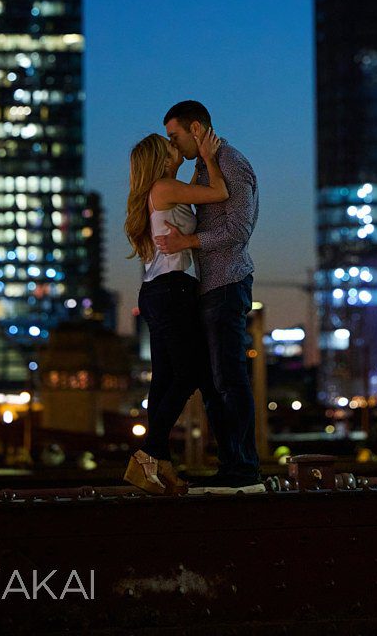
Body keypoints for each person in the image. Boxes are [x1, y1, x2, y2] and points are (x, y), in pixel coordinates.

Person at [154, 99, 264, 494]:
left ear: (195, 129)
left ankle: (245, 470)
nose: (173, 143)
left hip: (228, 283)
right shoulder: (204, 167)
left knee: (230, 380)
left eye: (175, 135)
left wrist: (190, 240)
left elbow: (239, 229)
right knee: (216, 384)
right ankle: (232, 466)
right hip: (209, 287)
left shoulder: (231, 162)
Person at [123, 128, 228, 495]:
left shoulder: (159, 191)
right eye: (169, 144)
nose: (175, 146)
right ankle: (149, 454)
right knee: (192, 371)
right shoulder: (164, 189)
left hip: (157, 292)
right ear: (161, 158)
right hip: (172, 290)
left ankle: (160, 463)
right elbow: (219, 193)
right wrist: (210, 158)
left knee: (166, 378)